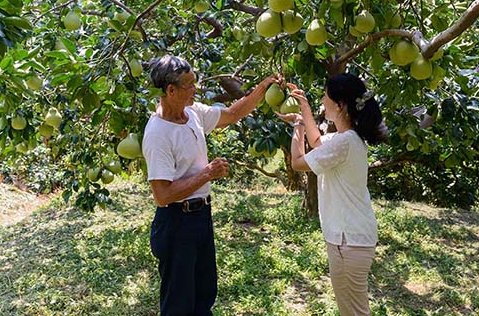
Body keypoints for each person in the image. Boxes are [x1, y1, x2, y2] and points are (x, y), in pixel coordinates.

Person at [142, 54, 281, 316]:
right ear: (171, 90)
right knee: (178, 303)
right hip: (176, 222)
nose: (196, 89)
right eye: (190, 85)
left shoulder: (192, 113)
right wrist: (206, 174)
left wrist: (262, 88)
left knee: (204, 294)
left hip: (201, 217)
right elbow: (162, 195)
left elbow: (232, 113)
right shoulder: (158, 133)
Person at [275, 73, 387, 316]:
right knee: (350, 309)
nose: (322, 100)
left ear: (341, 105)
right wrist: (302, 109)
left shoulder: (344, 142)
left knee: (355, 311)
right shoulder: (346, 138)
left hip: (350, 241)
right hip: (348, 238)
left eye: (326, 96)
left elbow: (297, 162)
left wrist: (297, 125)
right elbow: (316, 140)